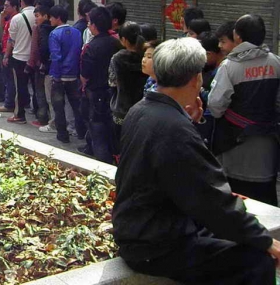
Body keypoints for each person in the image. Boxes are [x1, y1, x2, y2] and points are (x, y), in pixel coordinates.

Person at [113, 37, 280, 285]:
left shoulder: (141, 110)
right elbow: (211, 199)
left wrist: (189, 122)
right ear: (196, 78)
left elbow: (179, 171)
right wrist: (265, 240)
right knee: (258, 261)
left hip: (139, 229)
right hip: (156, 245)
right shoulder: (174, 128)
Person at [208, 15, 280, 206]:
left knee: (237, 203)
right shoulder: (276, 63)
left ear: (237, 37)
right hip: (268, 149)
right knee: (267, 204)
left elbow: (215, 106)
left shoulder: (230, 67)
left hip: (235, 147)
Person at [80, 6, 122, 163]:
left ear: (94, 25)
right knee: (108, 130)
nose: (88, 25)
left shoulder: (91, 47)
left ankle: (102, 166)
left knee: (98, 131)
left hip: (96, 93)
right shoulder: (117, 43)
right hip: (114, 93)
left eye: (89, 22)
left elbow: (85, 74)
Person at [109, 22, 147, 162]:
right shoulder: (146, 56)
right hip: (143, 108)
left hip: (122, 108)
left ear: (124, 39)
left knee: (121, 146)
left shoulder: (118, 58)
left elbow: (112, 82)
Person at [48, 5, 84, 144]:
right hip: (74, 75)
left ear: (58, 18)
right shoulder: (77, 32)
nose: (50, 19)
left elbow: (56, 57)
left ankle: (62, 135)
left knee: (59, 107)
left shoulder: (54, 34)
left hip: (60, 75)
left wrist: (56, 76)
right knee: (76, 106)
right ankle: (81, 132)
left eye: (51, 17)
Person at [4, 0, 36, 124]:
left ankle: (19, 115)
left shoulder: (17, 18)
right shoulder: (39, 15)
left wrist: (6, 56)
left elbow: (11, 40)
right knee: (36, 87)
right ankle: (39, 113)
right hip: (35, 58)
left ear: (21, 2)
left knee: (20, 87)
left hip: (20, 57)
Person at [197, 31, 226, 149]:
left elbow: (215, 99)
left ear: (209, 54)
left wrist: (200, 90)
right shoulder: (211, 69)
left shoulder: (222, 71)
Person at [29, 5, 53, 128]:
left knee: (41, 92)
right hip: (52, 66)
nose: (35, 19)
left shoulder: (39, 29)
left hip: (41, 66)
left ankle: (43, 117)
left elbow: (35, 49)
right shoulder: (54, 28)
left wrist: (33, 63)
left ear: (45, 16)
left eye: (37, 16)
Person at [0, 0, 19, 113]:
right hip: (7, 50)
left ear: (14, 7)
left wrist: (6, 55)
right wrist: (2, 17)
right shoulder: (9, 19)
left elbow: (11, 39)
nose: (4, 8)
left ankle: (9, 103)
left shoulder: (15, 20)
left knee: (9, 79)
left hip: (9, 51)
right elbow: (3, 30)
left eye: (7, 6)